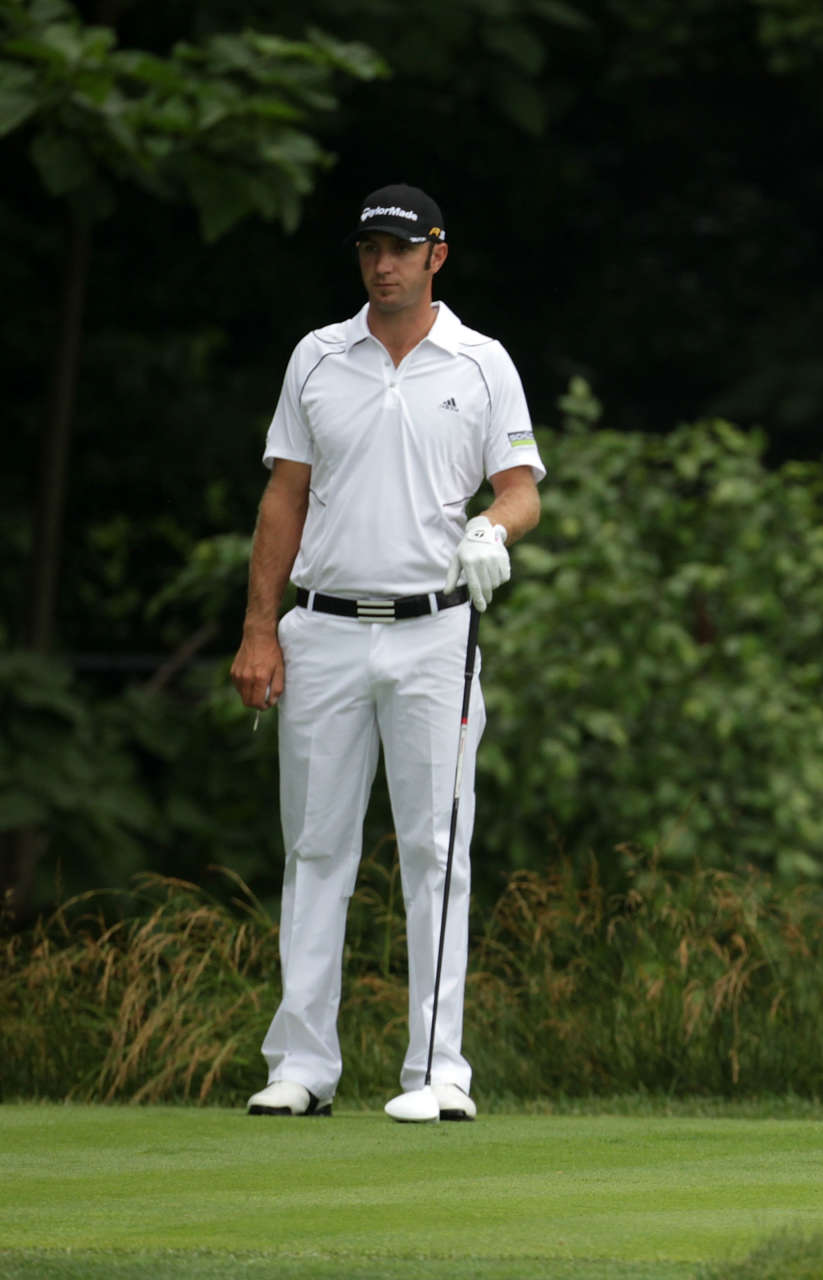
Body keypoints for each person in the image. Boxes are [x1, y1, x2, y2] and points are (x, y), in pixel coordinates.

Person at [229, 183, 544, 1121]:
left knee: (435, 850)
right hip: (320, 629)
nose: (384, 263)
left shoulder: (482, 364)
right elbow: (284, 496)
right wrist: (258, 627)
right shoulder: (317, 357)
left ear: (436, 255)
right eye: (370, 248)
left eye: (401, 249)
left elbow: (520, 489)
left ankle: (438, 1072)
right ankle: (302, 1066)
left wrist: (491, 531)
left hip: (437, 631)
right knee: (316, 845)